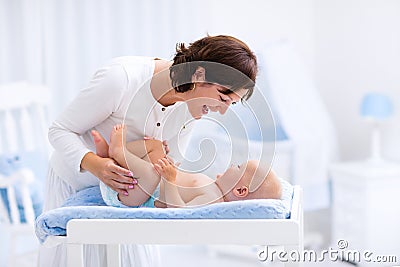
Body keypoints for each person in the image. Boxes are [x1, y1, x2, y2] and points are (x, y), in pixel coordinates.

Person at [39, 35, 258, 267]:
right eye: (223, 97)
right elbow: (59, 130)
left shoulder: (192, 107)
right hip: (78, 183)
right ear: (199, 74)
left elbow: (168, 168)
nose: (222, 111)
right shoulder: (121, 79)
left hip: (132, 200)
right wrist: (97, 164)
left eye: (231, 103)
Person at [93, 125, 282, 208]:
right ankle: (111, 157)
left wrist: (170, 179)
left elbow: (177, 210)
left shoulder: (213, 199)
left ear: (240, 190)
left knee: (151, 175)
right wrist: (170, 167)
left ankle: (119, 153)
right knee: (156, 147)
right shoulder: (211, 186)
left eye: (239, 167)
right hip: (136, 185)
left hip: (134, 198)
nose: (233, 164)